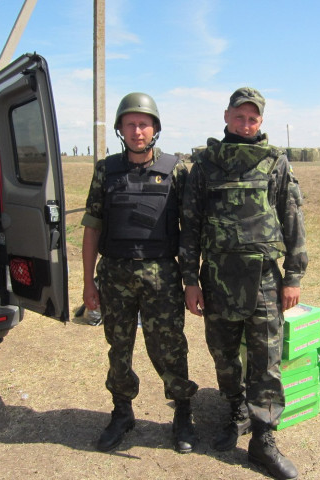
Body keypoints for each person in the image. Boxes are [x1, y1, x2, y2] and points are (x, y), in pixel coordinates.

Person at [180, 87, 307, 480]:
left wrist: (293, 276)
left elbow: (292, 220)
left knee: (266, 360)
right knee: (223, 354)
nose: (246, 124)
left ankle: (263, 440)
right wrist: (189, 279)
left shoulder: (275, 163)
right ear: (226, 116)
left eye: (253, 118)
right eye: (240, 116)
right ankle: (236, 409)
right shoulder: (204, 165)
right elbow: (190, 225)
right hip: (217, 278)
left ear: (261, 122)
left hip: (264, 279)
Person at [81, 92, 198, 453]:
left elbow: (190, 230)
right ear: (120, 128)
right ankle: (122, 412)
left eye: (144, 124)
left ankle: (182, 412)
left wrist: (191, 280)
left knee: (169, 347)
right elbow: (92, 227)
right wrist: (87, 282)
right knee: (118, 348)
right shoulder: (106, 170)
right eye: (130, 124)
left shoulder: (176, 170)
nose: (137, 131)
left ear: (155, 129)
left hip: (161, 276)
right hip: (114, 276)